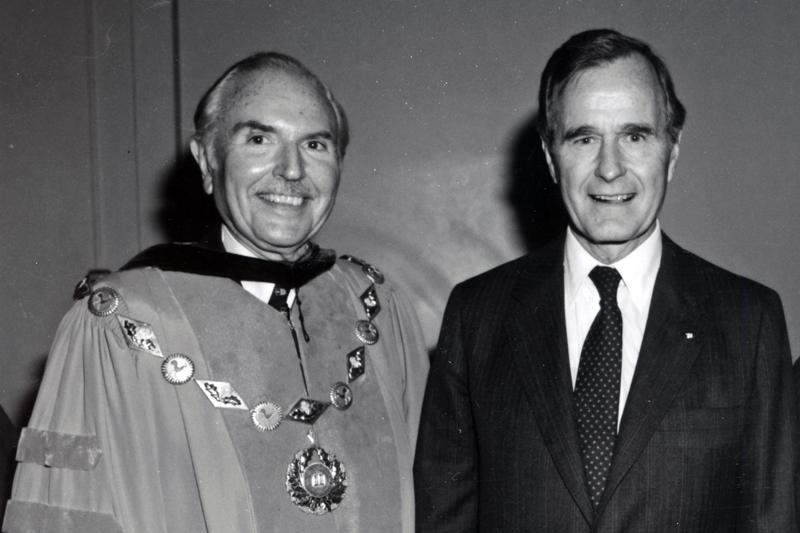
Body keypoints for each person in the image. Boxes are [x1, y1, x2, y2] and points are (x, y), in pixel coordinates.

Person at [4, 52, 428, 533]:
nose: (291, 170)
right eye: (259, 138)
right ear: (208, 160)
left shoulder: (376, 309)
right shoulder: (122, 323)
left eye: (314, 144)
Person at [414, 29, 797, 532]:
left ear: (672, 152)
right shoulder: (476, 315)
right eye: (584, 138)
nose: (610, 169)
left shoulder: (750, 321)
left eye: (635, 136)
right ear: (552, 159)